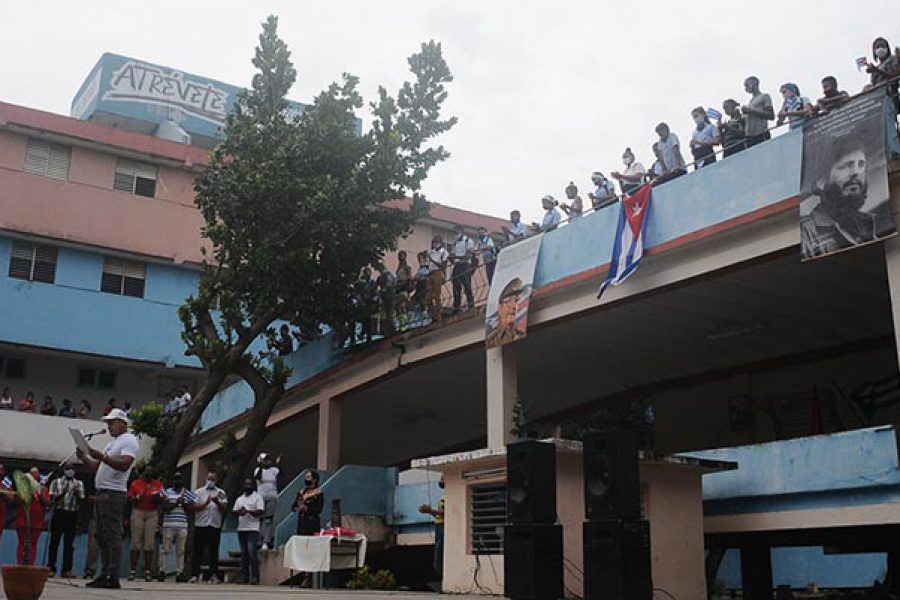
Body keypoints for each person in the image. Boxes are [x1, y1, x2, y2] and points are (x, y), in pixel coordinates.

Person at [76, 408, 139, 589]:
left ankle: (113, 575)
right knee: (101, 536)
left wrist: (102, 456)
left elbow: (125, 464)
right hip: (103, 493)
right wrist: (85, 458)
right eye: (108, 423)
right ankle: (105, 573)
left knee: (112, 535)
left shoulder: (129, 440)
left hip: (113, 493)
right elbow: (98, 466)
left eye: (112, 423)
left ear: (122, 423)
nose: (109, 426)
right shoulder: (112, 443)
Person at [801, 139, 891, 258]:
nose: (856, 172)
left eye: (861, 165)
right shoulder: (807, 232)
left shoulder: (872, 223)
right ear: (821, 181)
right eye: (845, 166)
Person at [158, 472, 197, 583]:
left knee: (180, 550)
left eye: (179, 479)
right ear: (173, 481)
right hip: (168, 525)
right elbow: (164, 507)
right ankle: (162, 571)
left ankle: (180, 572)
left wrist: (183, 503)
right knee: (165, 549)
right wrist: (176, 503)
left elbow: (190, 509)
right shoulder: (166, 492)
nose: (177, 481)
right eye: (176, 479)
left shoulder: (187, 493)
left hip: (182, 525)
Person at [127, 464, 163, 582]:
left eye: (151, 471)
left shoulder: (158, 484)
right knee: (136, 542)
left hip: (152, 513)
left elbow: (162, 499)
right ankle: (132, 571)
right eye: (147, 471)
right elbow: (130, 499)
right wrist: (138, 497)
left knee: (149, 543)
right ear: (143, 472)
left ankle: (148, 571)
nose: (149, 473)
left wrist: (157, 498)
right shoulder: (135, 483)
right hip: (138, 511)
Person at [190, 470, 227, 584]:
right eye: (209, 479)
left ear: (216, 481)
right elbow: (194, 507)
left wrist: (216, 501)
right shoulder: (198, 492)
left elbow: (224, 508)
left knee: (213, 551)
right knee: (198, 551)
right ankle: (194, 575)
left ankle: (213, 575)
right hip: (201, 525)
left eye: (213, 479)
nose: (210, 481)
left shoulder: (221, 492)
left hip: (214, 525)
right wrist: (205, 503)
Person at [47, 467, 85, 577]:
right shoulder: (56, 482)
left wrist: (76, 494)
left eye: (73, 469)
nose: (71, 471)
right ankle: (51, 567)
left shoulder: (79, 483)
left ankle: (66, 569)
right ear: (64, 470)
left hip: (72, 514)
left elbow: (81, 501)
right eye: (68, 468)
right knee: (54, 542)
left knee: (69, 544)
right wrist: (63, 492)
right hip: (59, 513)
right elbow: (52, 500)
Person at [292, 470, 324, 588]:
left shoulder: (318, 493)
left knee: (311, 550)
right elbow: (293, 506)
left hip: (312, 523)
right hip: (302, 523)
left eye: (308, 477)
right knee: (303, 551)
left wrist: (307, 509)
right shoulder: (301, 492)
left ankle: (309, 577)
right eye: (306, 477)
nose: (306, 479)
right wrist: (298, 508)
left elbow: (319, 509)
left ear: (314, 479)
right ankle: (304, 575)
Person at [14, 467, 49, 565]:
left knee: (33, 544)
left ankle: (30, 564)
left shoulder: (43, 488)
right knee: (22, 543)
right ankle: (20, 564)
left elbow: (48, 502)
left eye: (37, 473)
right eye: (32, 473)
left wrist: (41, 494)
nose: (35, 475)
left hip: (37, 522)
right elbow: (17, 500)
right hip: (23, 521)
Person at [233, 478, 264, 585]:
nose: (247, 486)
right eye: (246, 484)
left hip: (253, 529)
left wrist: (248, 511)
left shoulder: (257, 497)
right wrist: (239, 512)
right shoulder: (239, 499)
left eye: (250, 484)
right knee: (244, 554)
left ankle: (255, 577)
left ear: (253, 486)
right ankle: (244, 577)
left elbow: (260, 511)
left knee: (252, 552)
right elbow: (234, 512)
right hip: (242, 528)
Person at [418, 475, 446, 584]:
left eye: (443, 478)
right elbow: (440, 515)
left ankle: (440, 577)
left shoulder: (449, 497)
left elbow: (445, 514)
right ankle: (438, 576)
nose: (441, 481)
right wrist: (431, 512)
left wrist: (430, 511)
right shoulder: (443, 497)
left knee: (440, 551)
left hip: (443, 526)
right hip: (438, 525)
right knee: (437, 552)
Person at [485, 278, 528, 347]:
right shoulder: (490, 340)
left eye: (516, 301)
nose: (513, 306)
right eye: (507, 302)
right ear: (499, 308)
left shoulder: (521, 334)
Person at [254, 453, 280, 551]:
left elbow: (280, 475)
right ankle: (258, 540)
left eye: (268, 459)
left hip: (272, 496)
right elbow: (258, 477)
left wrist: (278, 464)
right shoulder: (258, 470)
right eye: (265, 459)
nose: (268, 461)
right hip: (260, 497)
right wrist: (261, 466)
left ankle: (266, 541)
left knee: (269, 519)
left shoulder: (274, 470)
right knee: (260, 519)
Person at [449, 225, 475, 314]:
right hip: (457, 265)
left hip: (465, 264)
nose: (455, 234)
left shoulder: (468, 241)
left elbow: (469, 255)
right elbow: (452, 255)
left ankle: (471, 304)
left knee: (466, 285)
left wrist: (456, 257)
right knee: (456, 286)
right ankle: (456, 307)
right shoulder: (455, 243)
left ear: (461, 231)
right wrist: (451, 258)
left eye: (457, 232)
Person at [741, 76, 775, 148]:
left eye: (747, 85)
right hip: (749, 136)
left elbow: (771, 115)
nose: (746, 88)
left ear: (754, 83)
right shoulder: (750, 102)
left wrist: (750, 111)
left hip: (761, 133)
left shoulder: (765, 96)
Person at [425, 236, 449, 326]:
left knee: (436, 296)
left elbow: (443, 266)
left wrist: (431, 260)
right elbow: (429, 265)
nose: (435, 244)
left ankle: (438, 316)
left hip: (438, 273)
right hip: (430, 274)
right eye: (434, 242)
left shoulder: (444, 253)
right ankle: (434, 315)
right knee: (428, 297)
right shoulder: (431, 252)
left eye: (437, 242)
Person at [376, 263, 397, 336]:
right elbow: (376, 287)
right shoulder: (379, 278)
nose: (380, 270)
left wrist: (385, 288)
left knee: (390, 314)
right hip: (384, 298)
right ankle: (385, 330)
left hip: (390, 296)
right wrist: (378, 291)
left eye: (381, 268)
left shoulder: (389, 275)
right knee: (384, 315)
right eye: (379, 269)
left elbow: (391, 283)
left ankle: (392, 330)